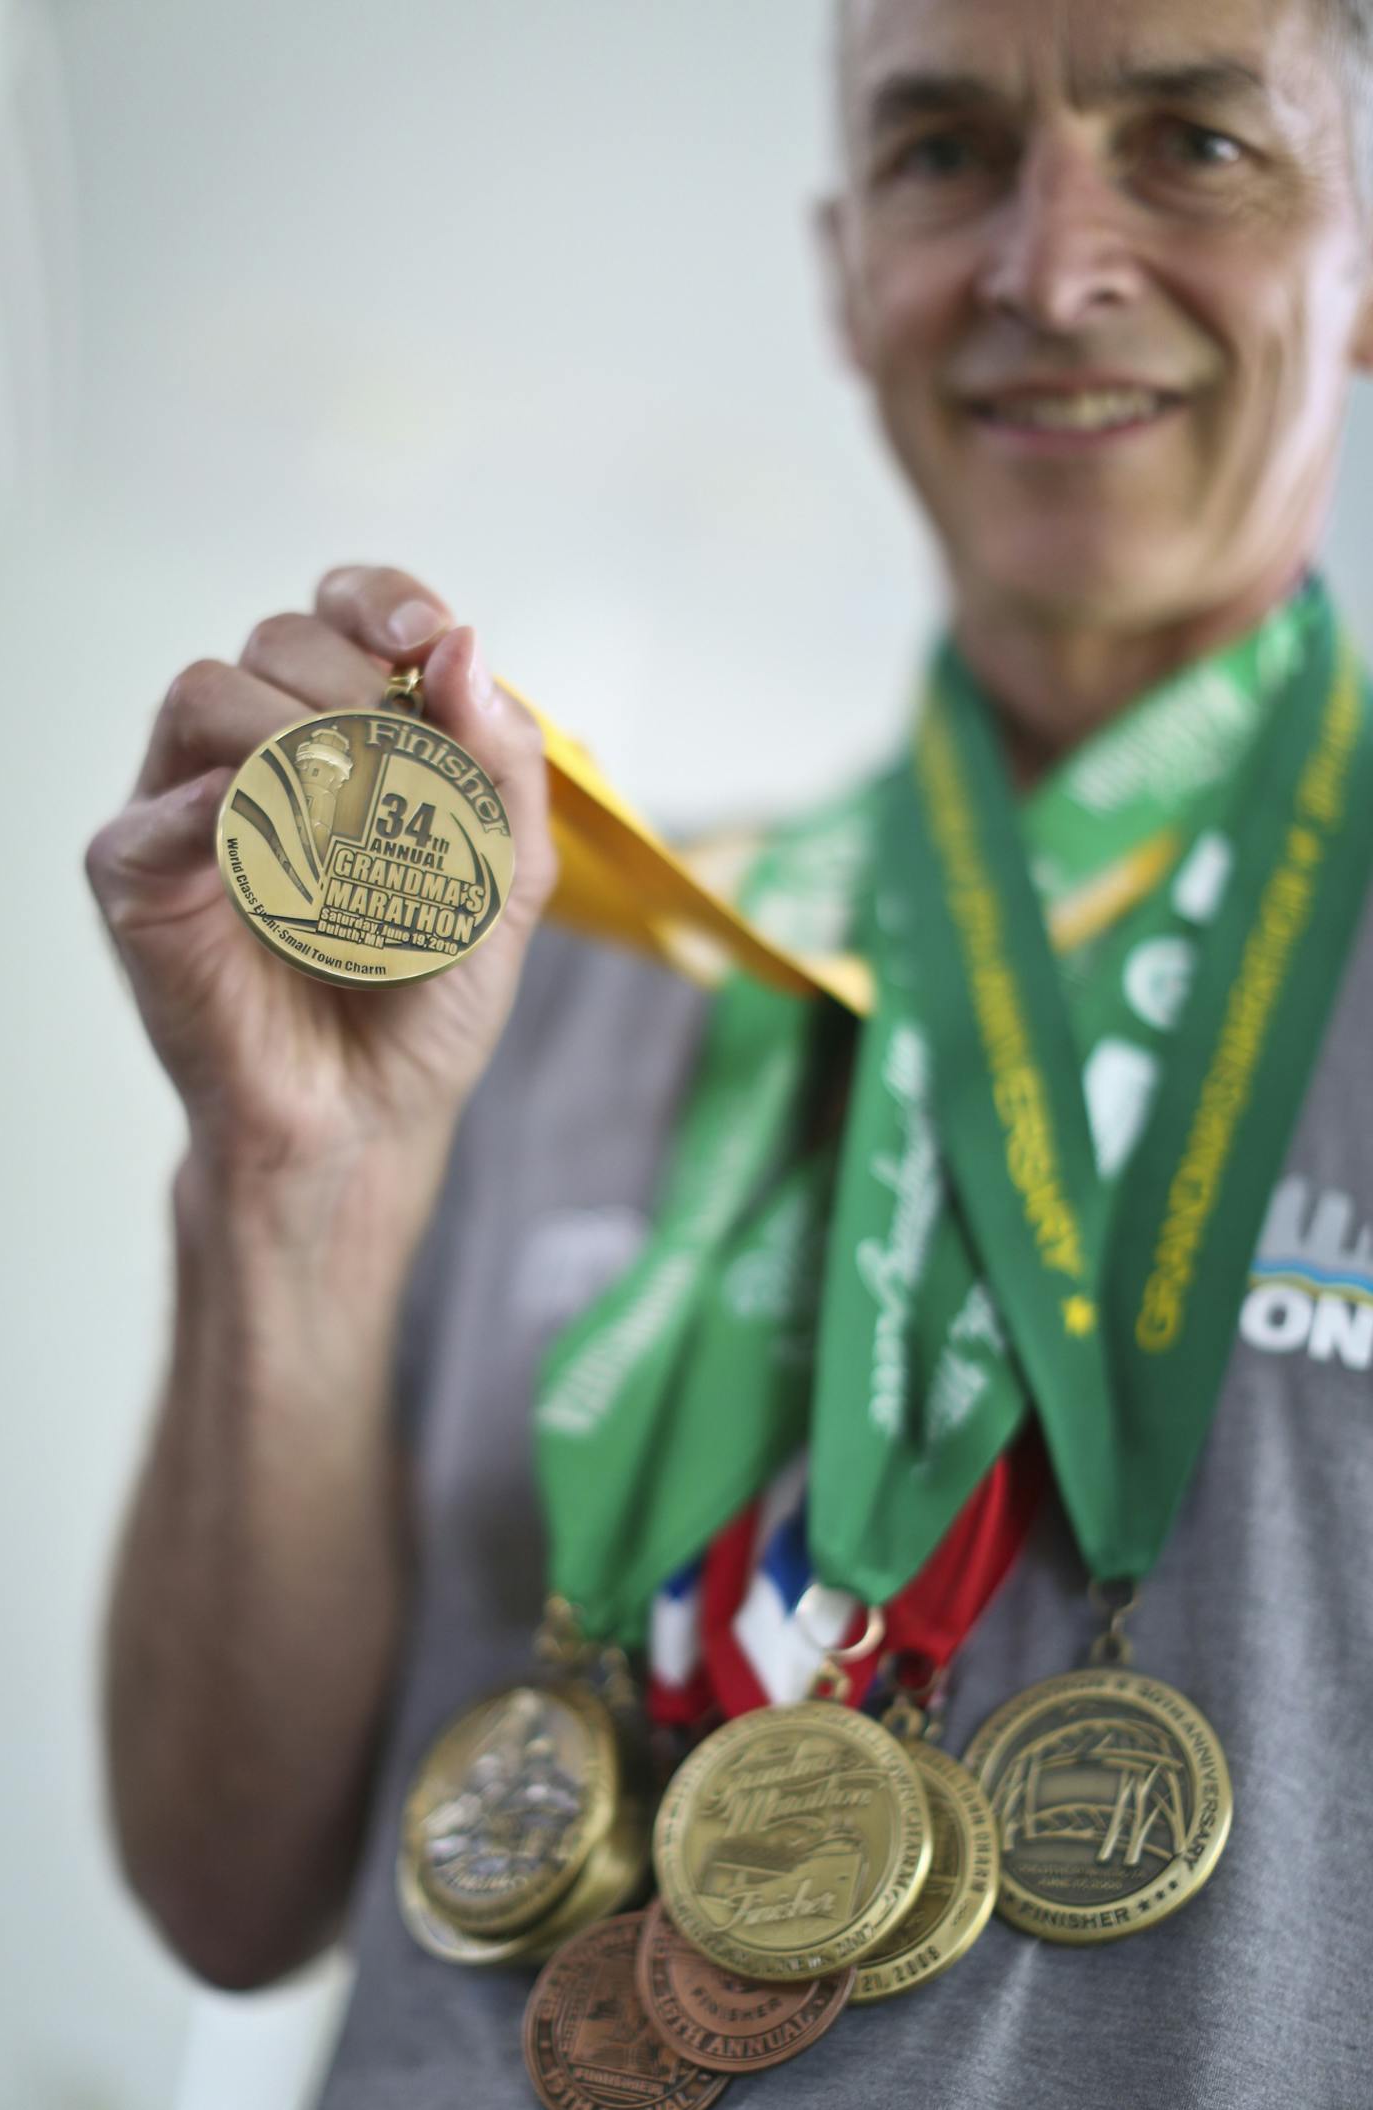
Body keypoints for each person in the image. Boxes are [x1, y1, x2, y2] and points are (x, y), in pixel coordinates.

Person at [85, 0, 1373, 2103]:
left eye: (1197, 146)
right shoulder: (552, 951)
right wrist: (291, 1175)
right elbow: (226, 1884)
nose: (1051, 267)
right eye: (944, 150)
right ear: (846, 271)